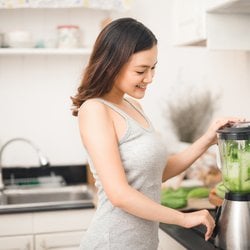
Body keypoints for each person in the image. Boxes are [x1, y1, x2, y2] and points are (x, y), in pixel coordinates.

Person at [71, 17, 243, 250]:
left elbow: (157, 173)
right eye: (141, 70)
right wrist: (183, 218)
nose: (149, 78)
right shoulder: (94, 110)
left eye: (153, 68)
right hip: (111, 243)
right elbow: (119, 194)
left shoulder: (133, 107)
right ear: (112, 64)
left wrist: (208, 139)